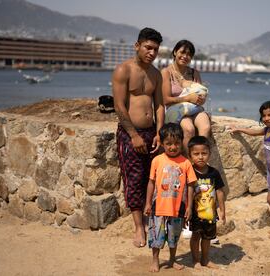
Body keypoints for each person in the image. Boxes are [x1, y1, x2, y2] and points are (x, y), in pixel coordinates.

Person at [112, 27, 164, 248]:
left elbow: (159, 105)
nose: (152, 52)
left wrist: (159, 133)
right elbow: (119, 106)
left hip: (151, 133)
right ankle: (138, 227)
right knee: (133, 180)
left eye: (155, 49)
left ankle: (148, 216)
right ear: (137, 46)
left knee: (150, 179)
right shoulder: (123, 70)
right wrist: (133, 135)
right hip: (130, 133)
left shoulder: (155, 73)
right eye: (148, 47)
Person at [230, 100, 270, 240]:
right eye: (264, 116)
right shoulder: (267, 130)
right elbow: (254, 132)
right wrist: (239, 129)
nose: (267, 118)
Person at [144, 123, 197, 272]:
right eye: (168, 144)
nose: (173, 147)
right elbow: (151, 182)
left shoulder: (186, 163)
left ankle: (172, 260)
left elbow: (191, 186)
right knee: (157, 237)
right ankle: (155, 260)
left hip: (178, 208)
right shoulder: (157, 160)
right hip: (158, 207)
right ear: (162, 143)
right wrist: (147, 203)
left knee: (174, 237)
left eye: (176, 143)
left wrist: (189, 207)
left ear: (181, 142)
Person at [161, 40, 211, 154]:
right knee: (189, 129)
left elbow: (201, 97)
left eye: (189, 54)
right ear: (175, 52)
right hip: (175, 109)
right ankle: (188, 163)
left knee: (206, 127)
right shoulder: (166, 72)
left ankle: (199, 158)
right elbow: (166, 100)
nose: (185, 56)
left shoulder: (194, 73)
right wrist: (188, 98)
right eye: (182, 52)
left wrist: (201, 99)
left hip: (194, 109)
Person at [188, 136, 226, 268]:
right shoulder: (190, 172)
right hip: (195, 213)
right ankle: (195, 260)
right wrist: (187, 209)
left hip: (210, 213)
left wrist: (222, 210)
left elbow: (220, 191)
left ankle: (205, 259)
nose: (200, 157)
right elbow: (186, 192)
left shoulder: (214, 173)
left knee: (207, 238)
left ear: (209, 154)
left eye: (204, 153)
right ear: (190, 155)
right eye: (196, 154)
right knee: (195, 236)